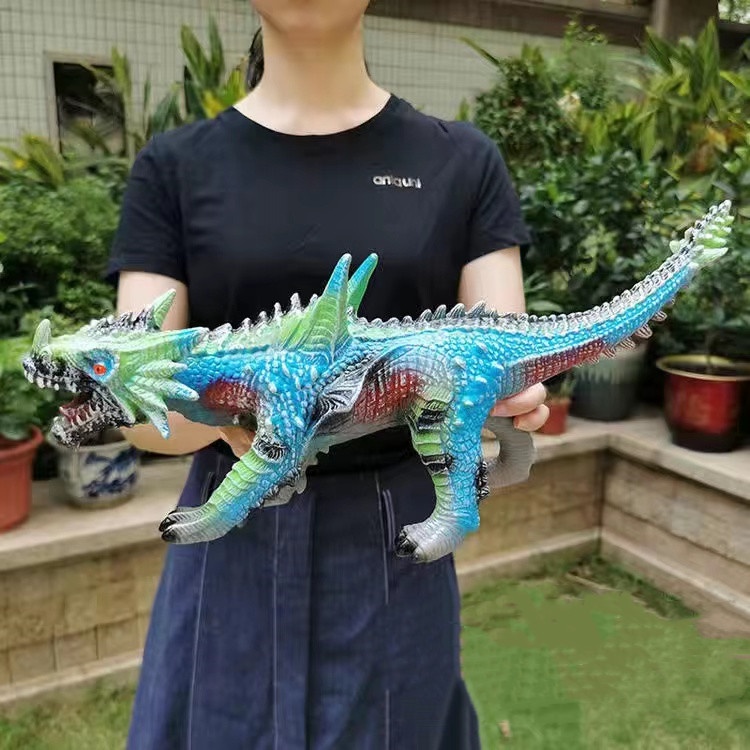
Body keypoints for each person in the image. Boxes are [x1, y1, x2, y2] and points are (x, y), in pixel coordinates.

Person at [107, 1, 548, 747]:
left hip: (396, 536)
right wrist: (251, 418)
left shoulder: (462, 161)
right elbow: (140, 405)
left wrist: (511, 399)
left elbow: (499, 345)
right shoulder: (174, 167)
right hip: (232, 528)